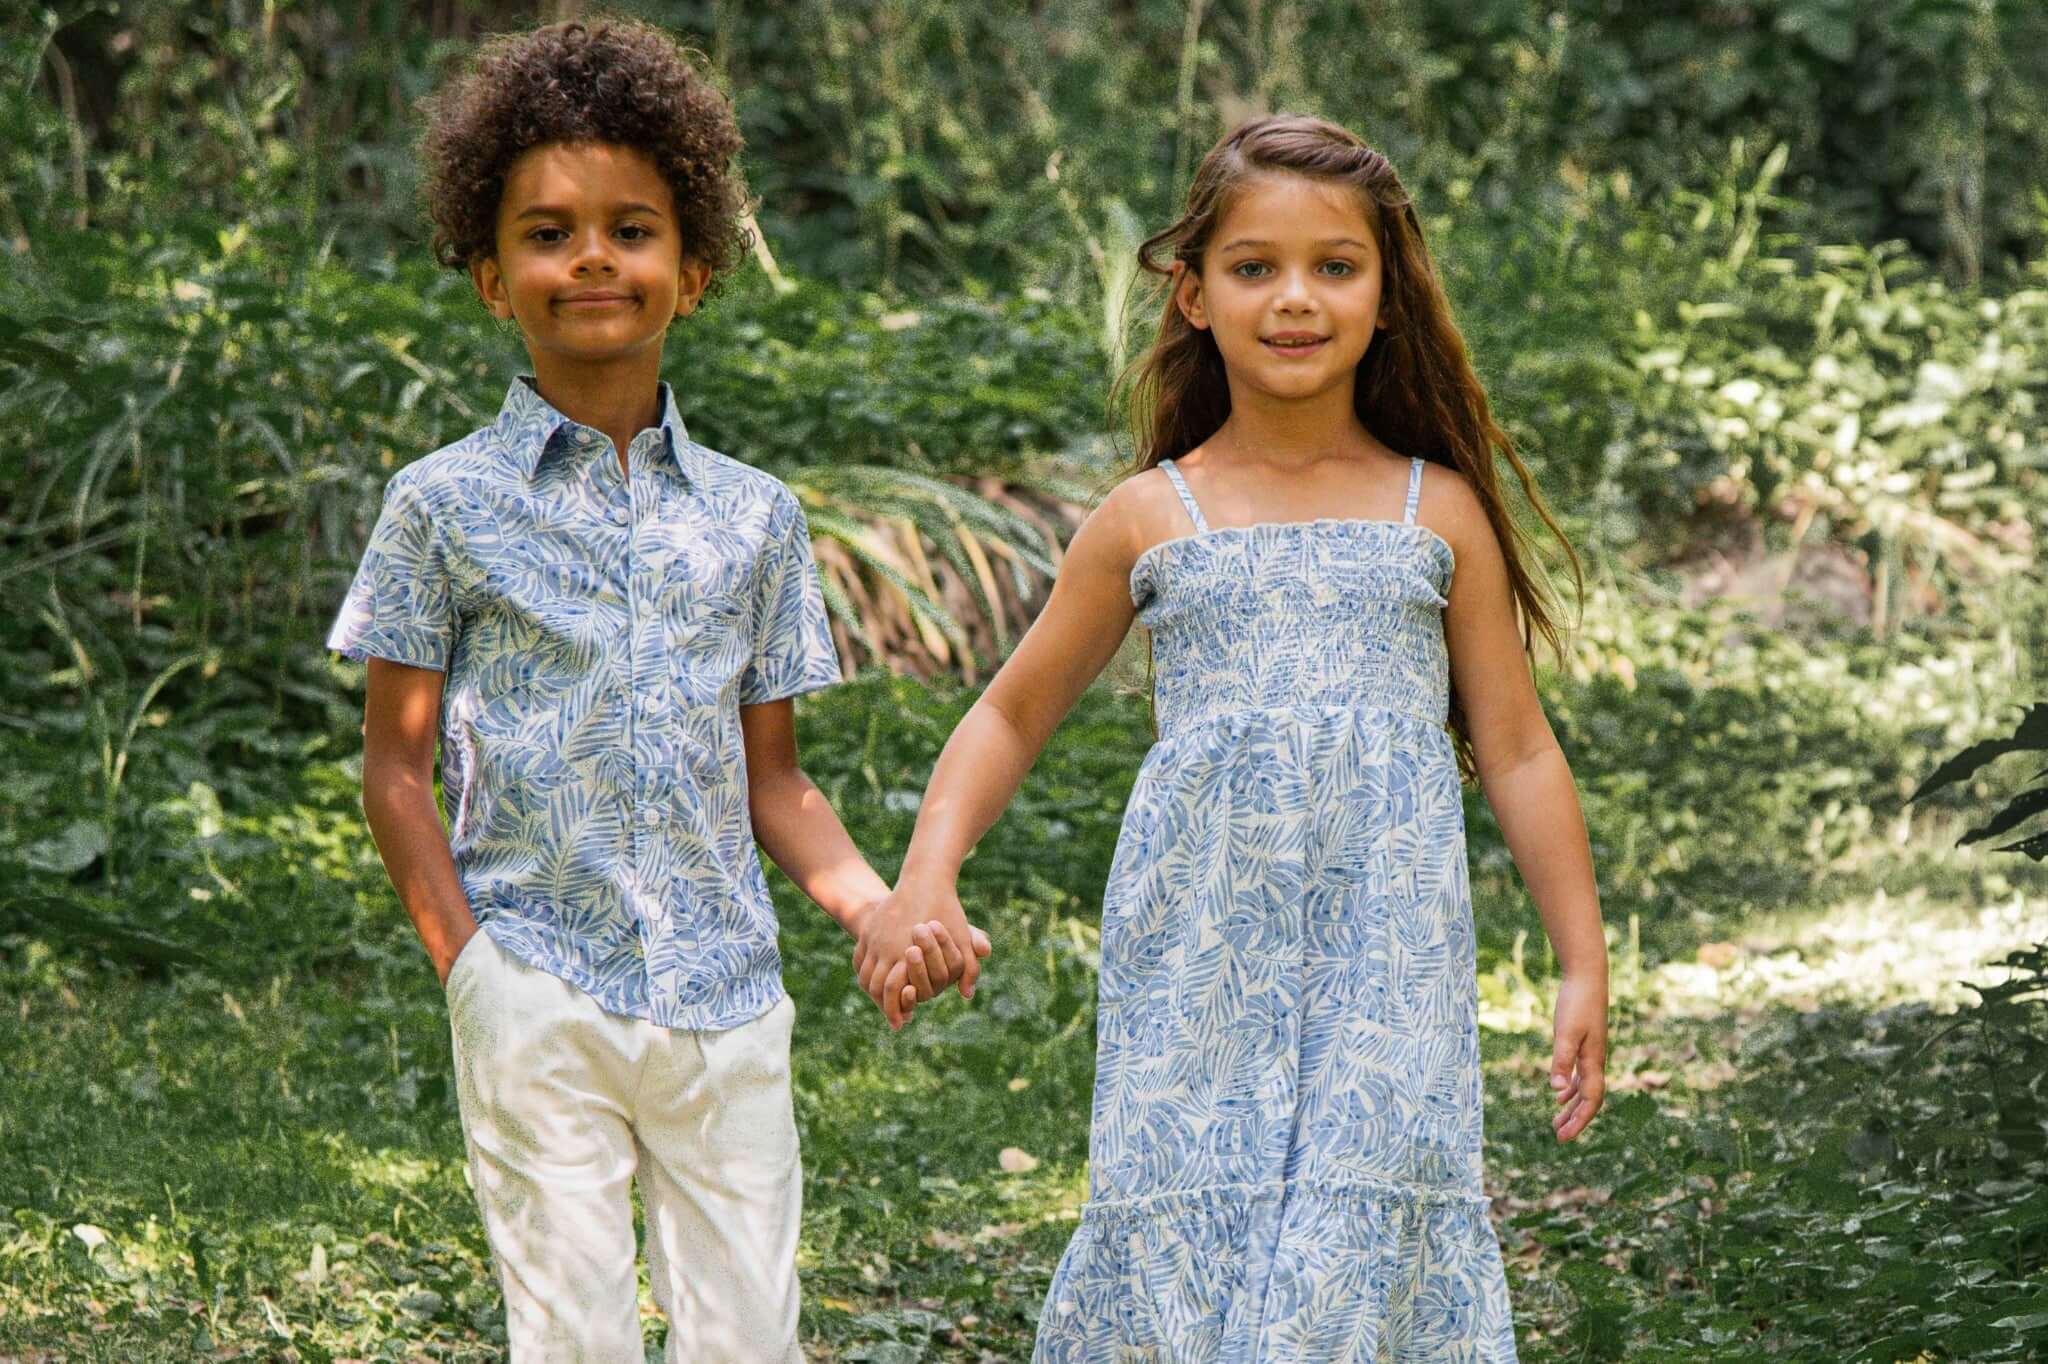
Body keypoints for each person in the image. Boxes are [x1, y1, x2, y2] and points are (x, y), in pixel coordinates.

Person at [858, 113, 1609, 1361]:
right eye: (1253, 267)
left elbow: (1519, 749)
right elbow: (1007, 710)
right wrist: (924, 872)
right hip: (1196, 968)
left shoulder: (1441, 513)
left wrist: (1578, 957)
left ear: (1386, 293)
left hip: (1388, 976)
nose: (1293, 298)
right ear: (1193, 292)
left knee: (1354, 1235)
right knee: (1186, 1222)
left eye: (1334, 265)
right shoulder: (1151, 516)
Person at [324, 18, 984, 1360]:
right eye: (548, 232)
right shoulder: (440, 506)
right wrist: (474, 971)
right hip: (535, 988)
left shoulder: (757, 519)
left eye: (630, 230)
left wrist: (872, 908)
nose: (591, 260)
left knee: (748, 1336)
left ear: (692, 271)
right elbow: (395, 768)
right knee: (570, 1338)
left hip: (726, 997)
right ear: (493, 278)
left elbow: (775, 779)